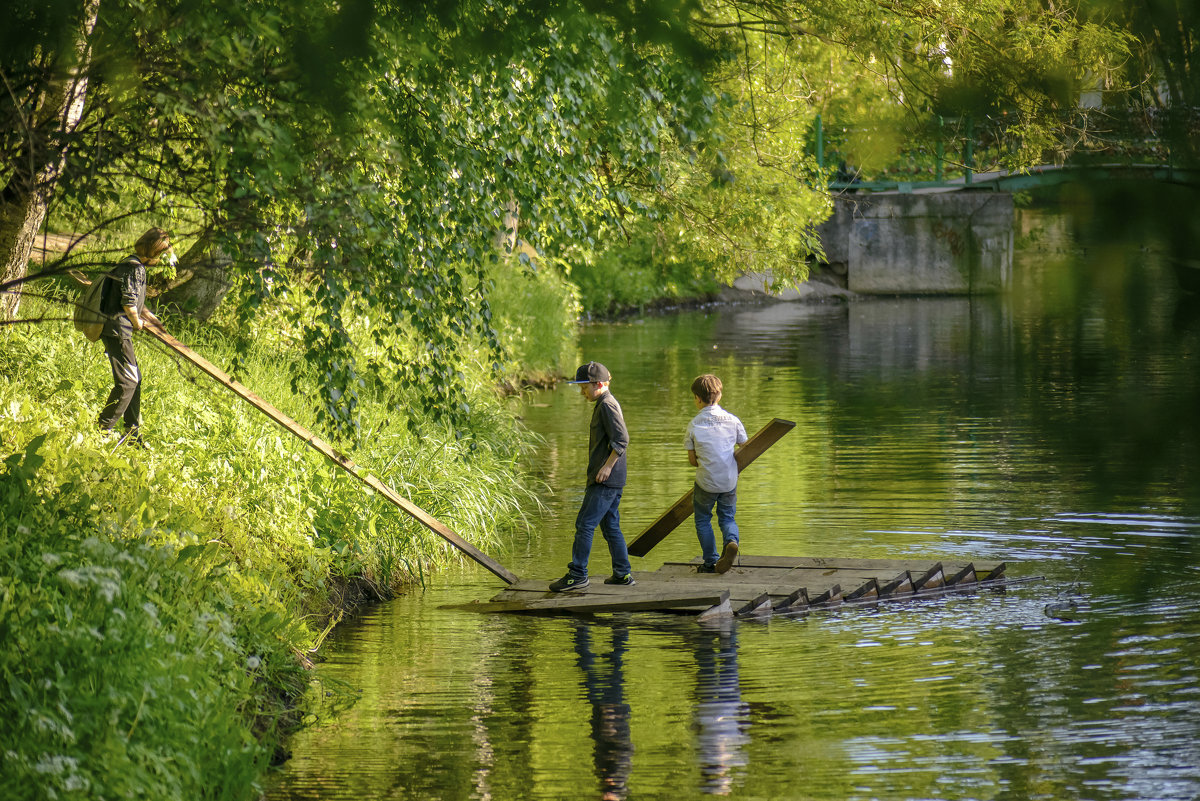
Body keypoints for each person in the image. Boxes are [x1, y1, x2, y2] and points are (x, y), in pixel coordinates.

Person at [550, 361, 634, 591]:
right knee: (610, 527)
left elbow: (622, 440)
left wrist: (606, 467)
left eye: (583, 386)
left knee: (584, 524)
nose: (581, 391)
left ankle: (577, 575)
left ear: (598, 384)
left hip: (605, 479)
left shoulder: (607, 405)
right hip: (611, 479)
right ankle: (622, 574)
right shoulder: (604, 403)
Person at [97, 227, 172, 446]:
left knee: (135, 379)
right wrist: (137, 322)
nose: (161, 261)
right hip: (117, 329)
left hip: (115, 328)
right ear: (154, 253)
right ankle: (102, 429)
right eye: (161, 255)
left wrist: (151, 317)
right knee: (129, 381)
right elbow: (128, 303)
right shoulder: (135, 269)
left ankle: (132, 433)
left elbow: (134, 300)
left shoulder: (128, 263)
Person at [685, 374, 748, 574]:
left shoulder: (694, 424)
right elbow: (745, 447)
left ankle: (711, 561)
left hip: (706, 482)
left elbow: (693, 460)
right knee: (727, 518)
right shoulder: (732, 420)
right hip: (729, 480)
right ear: (719, 395)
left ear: (697, 398)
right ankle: (731, 541)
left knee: (702, 519)